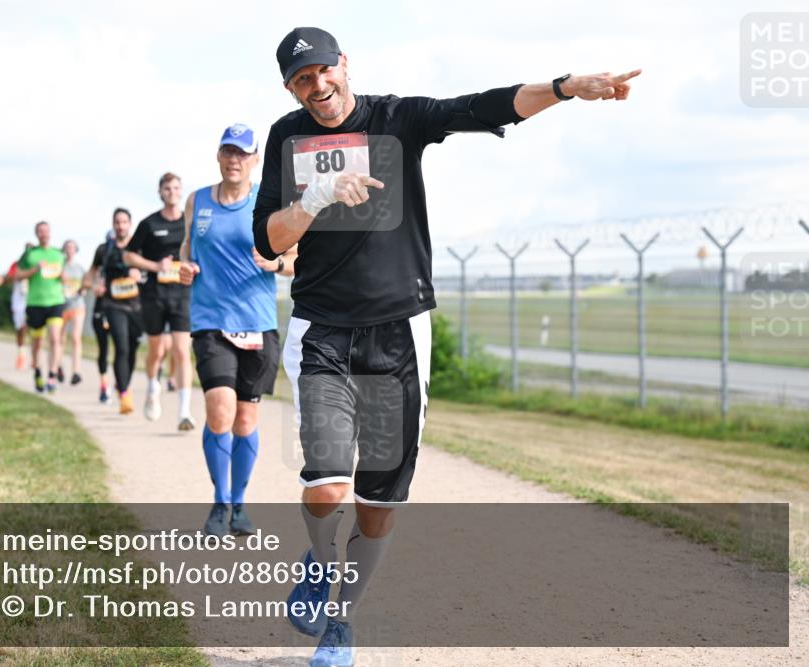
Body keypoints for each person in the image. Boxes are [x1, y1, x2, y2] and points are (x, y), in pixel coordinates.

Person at [252, 27, 641, 666]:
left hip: (399, 333)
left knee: (377, 502)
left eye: (323, 70)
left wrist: (569, 88)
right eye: (301, 80)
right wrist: (314, 200)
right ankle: (326, 584)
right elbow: (268, 240)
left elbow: (483, 105)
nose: (317, 86)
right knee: (326, 483)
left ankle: (343, 613)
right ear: (290, 88)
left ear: (343, 64)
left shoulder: (397, 119)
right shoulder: (286, 137)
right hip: (321, 328)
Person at [179, 123, 296, 538]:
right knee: (220, 411)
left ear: (255, 160)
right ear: (218, 155)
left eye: (243, 154)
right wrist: (185, 266)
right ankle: (220, 503)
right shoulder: (197, 202)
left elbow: (298, 258)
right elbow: (187, 250)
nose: (234, 160)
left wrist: (276, 264)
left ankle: (240, 505)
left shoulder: (270, 201)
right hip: (210, 320)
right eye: (228, 152)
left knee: (245, 419)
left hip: (258, 323)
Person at [129, 172, 196, 429]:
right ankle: (153, 386)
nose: (171, 192)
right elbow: (129, 257)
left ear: (181, 192)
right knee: (157, 350)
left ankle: (184, 412)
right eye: (166, 188)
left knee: (181, 350)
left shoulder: (189, 223)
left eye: (176, 187)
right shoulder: (149, 224)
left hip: (182, 294)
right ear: (160, 192)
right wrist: (155, 266)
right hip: (154, 294)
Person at [83, 209, 145, 414]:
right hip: (113, 304)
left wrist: (140, 273)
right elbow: (91, 273)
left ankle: (122, 383)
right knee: (121, 346)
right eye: (117, 222)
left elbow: (149, 270)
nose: (120, 226)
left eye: (124, 222)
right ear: (113, 224)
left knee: (133, 347)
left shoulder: (139, 247)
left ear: (130, 224)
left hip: (137, 306)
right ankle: (125, 394)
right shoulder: (104, 249)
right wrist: (94, 287)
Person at [13, 222, 66, 393]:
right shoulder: (30, 254)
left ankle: (51, 376)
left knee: (55, 339)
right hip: (35, 303)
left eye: (46, 231)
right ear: (36, 234)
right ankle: (37, 372)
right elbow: (17, 276)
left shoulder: (58, 254)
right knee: (37, 342)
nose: (44, 234)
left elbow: (64, 276)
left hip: (56, 301)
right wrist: (34, 269)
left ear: (50, 233)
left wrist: (65, 279)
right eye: (40, 231)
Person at [59, 239, 87, 385]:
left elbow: (86, 284)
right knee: (60, 339)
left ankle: (76, 371)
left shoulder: (80, 269)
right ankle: (59, 366)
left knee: (76, 338)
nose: (70, 249)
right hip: (61, 306)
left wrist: (83, 289)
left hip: (77, 305)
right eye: (67, 247)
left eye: (72, 247)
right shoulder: (60, 267)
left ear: (76, 250)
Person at [7, 243, 33, 369]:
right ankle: (21, 355)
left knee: (35, 329)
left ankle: (34, 357)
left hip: (34, 299)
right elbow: (10, 278)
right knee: (21, 329)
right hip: (19, 300)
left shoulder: (40, 264)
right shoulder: (16, 265)